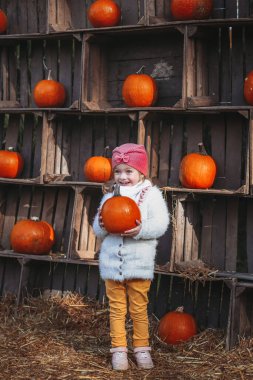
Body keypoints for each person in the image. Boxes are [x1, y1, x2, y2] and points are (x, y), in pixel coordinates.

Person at [92, 143, 170, 371]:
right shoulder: (108, 197)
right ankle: (119, 350)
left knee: (138, 308)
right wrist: (103, 225)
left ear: (141, 172)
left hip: (138, 264)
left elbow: (161, 224)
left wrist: (141, 230)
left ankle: (142, 348)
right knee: (116, 309)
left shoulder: (150, 194)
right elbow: (98, 228)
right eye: (118, 171)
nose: (123, 177)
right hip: (111, 265)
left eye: (129, 171)